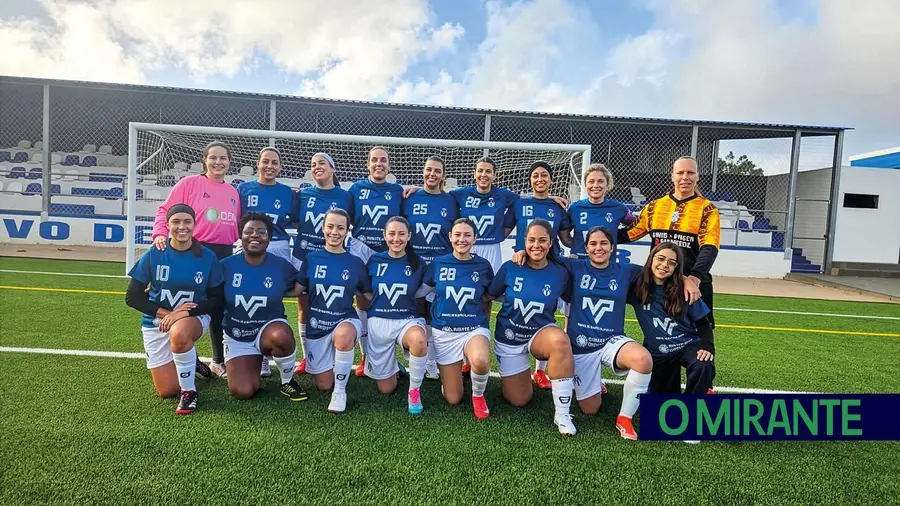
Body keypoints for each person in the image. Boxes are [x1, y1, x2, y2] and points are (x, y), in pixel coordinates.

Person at [152, 141, 240, 378]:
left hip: (224, 255)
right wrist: (159, 233)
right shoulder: (189, 183)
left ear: (229, 162)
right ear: (205, 160)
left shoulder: (233, 192)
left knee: (218, 306)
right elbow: (165, 211)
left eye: (223, 158)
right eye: (213, 157)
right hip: (195, 252)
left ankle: (218, 361)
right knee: (183, 304)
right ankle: (177, 355)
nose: (218, 162)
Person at [125, 204, 224, 415]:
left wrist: (183, 314)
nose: (182, 226)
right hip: (157, 322)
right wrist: (168, 314)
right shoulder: (154, 254)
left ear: (195, 224)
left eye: (187, 221)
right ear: (167, 225)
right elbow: (132, 297)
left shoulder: (207, 257)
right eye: (176, 222)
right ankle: (191, 360)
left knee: (179, 332)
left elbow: (217, 299)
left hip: (193, 318)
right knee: (167, 391)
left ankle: (189, 393)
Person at [557, 226, 653, 440]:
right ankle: (583, 381)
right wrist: (522, 252)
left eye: (603, 243)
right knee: (590, 409)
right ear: (586, 248)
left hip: (612, 341)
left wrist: (688, 279)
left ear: (612, 247)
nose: (598, 248)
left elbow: (658, 269)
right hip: (581, 346)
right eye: (593, 244)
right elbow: (544, 257)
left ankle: (624, 418)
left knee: (643, 359)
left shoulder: (626, 271)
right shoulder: (574, 266)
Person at [484, 219, 577, 435]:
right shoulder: (510, 267)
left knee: (560, 341)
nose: (537, 245)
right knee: (519, 400)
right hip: (509, 338)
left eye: (542, 240)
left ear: (551, 242)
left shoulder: (561, 272)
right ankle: (519, 377)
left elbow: (571, 302)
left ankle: (562, 414)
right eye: (532, 240)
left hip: (540, 334)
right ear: (524, 241)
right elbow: (487, 296)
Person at [619, 155, 721, 327]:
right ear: (672, 176)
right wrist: (592, 235)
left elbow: (709, 248)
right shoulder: (655, 207)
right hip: (661, 283)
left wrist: (694, 278)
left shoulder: (708, 209)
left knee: (701, 335)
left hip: (693, 283)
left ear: (697, 177)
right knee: (660, 331)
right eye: (680, 173)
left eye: (690, 173)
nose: (685, 177)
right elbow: (629, 233)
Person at [219, 213, 307, 402]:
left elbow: (300, 287)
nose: (255, 235)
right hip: (238, 335)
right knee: (242, 392)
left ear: (269, 237)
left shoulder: (281, 266)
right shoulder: (225, 266)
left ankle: (287, 381)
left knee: (281, 336)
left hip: (268, 330)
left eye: (261, 232)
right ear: (240, 235)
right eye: (249, 231)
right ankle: (255, 361)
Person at [503, 161, 573, 390]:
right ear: (530, 179)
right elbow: (502, 231)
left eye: (544, 175)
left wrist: (582, 253)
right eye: (535, 175)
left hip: (551, 267)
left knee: (548, 312)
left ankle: (540, 370)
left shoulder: (558, 207)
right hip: (523, 264)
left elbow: (567, 240)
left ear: (551, 180)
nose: (540, 179)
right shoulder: (519, 204)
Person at [419, 218, 494, 419]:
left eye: (467, 235)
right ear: (450, 237)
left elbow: (492, 294)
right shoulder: (438, 263)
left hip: (474, 329)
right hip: (445, 332)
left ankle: (478, 395)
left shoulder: (483, 265)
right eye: (458, 235)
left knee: (480, 360)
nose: (462, 239)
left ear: (475, 238)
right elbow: (421, 292)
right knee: (453, 398)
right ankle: (451, 379)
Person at [298, 209, 371, 414]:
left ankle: (340, 392)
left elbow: (368, 294)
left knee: (344, 336)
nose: (335, 232)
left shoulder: (355, 263)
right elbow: (296, 289)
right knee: (323, 385)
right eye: (330, 226)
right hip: (317, 325)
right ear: (323, 228)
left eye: (340, 228)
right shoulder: (311, 259)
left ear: (347, 231)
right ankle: (331, 366)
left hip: (344, 319)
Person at [237, 146, 299, 378]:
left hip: (278, 247)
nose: (270, 166)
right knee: (250, 297)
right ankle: (256, 353)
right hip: (249, 247)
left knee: (273, 297)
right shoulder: (244, 189)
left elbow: (296, 220)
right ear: (258, 163)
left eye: (274, 162)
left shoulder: (287, 193)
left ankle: (272, 350)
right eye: (266, 161)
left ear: (280, 167)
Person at [292, 152, 353, 375]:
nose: (317, 167)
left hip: (334, 258)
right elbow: (296, 221)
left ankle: (341, 348)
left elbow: (352, 222)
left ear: (333, 168)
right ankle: (306, 356)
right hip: (304, 256)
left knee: (334, 303)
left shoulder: (346, 196)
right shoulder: (303, 194)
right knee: (304, 306)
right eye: (313, 164)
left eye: (322, 163)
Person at [628, 242, 715, 396]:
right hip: (658, 351)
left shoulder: (685, 289)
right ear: (651, 259)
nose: (664, 265)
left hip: (687, 344)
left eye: (671, 263)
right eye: (660, 259)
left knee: (703, 363)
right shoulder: (637, 287)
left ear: (676, 267)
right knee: (662, 400)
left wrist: (707, 346)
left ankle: (693, 404)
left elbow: (703, 323)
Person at [362, 217, 429, 414]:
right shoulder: (374, 260)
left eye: (401, 234)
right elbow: (366, 290)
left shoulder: (418, 263)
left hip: (408, 320)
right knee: (386, 389)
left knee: (419, 340)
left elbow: (422, 292)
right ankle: (395, 367)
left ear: (409, 236)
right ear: (384, 236)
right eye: (391, 234)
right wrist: (379, 302)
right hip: (379, 321)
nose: (396, 238)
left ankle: (414, 392)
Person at [347, 146, 404, 377]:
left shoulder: (398, 191)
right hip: (361, 247)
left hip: (387, 251)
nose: (379, 164)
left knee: (387, 300)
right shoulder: (356, 189)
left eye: (383, 160)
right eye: (374, 160)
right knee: (362, 300)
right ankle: (365, 357)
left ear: (389, 165)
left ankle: (389, 355)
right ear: (367, 164)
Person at [401, 155, 459, 380]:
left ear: (443, 176)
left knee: (434, 313)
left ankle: (432, 360)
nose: (432, 174)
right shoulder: (409, 197)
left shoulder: (451, 201)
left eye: (437, 171)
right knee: (414, 310)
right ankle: (416, 356)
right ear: (423, 171)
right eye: (429, 170)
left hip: (440, 266)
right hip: (414, 263)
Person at [449, 157, 520, 275]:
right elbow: (440, 195)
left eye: (488, 171)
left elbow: (524, 201)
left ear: (494, 175)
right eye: (480, 171)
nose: (483, 175)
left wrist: (549, 197)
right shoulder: (462, 193)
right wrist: (417, 190)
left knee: (491, 283)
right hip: (467, 246)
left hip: (492, 248)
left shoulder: (503, 195)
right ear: (474, 174)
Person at [561, 163, 634, 258]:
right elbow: (565, 237)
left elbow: (637, 224)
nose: (595, 185)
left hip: (606, 264)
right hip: (579, 263)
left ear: (607, 184)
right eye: (591, 181)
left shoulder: (618, 208)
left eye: (600, 181)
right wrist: (578, 248)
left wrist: (616, 238)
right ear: (586, 184)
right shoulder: (575, 208)